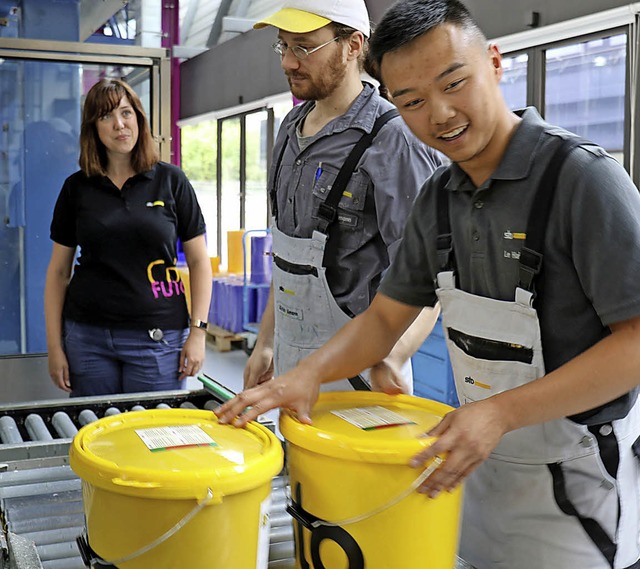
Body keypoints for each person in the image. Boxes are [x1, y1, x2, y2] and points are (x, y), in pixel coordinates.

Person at [217, 1, 640, 567]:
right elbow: (387, 318)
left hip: (578, 483)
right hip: (473, 466)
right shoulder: (440, 198)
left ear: (495, 62)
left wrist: (499, 412)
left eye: (454, 83)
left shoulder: (581, 181)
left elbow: (636, 342)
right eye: (410, 101)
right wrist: (308, 374)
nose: (438, 114)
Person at [245, 0, 444, 394]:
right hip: (290, 362)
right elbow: (290, 256)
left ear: (353, 45)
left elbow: (432, 275)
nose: (288, 62)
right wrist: (266, 341)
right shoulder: (290, 129)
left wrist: (395, 355)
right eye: (283, 46)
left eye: (303, 47)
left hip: (361, 375)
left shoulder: (393, 141)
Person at [44, 78, 212, 397]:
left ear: (139, 118)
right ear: (93, 128)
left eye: (126, 113)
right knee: (97, 437)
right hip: (88, 338)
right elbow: (58, 272)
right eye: (106, 116)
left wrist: (199, 333)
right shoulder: (76, 188)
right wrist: (55, 346)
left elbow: (200, 261)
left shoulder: (170, 180)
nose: (119, 124)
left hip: (159, 337)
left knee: (151, 438)